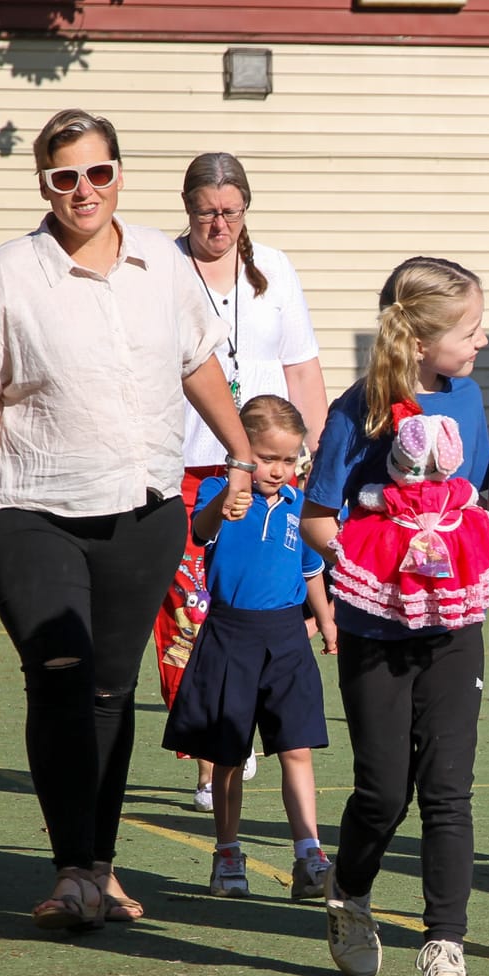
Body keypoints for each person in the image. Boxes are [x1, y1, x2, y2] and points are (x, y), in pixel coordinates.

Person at [0, 109, 252, 933]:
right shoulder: (9, 272)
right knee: (62, 675)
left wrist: (242, 448)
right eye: (65, 176)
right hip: (30, 509)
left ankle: (100, 867)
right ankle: (71, 865)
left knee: (114, 689)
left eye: (98, 172)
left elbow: (198, 365)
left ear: (118, 174)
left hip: (143, 510)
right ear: (44, 184)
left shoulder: (163, 268)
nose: (84, 190)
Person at [300, 257, 489, 976]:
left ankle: (445, 945)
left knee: (449, 788)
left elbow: (468, 501)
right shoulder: (358, 409)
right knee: (383, 791)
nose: (480, 342)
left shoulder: (471, 401)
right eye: (469, 329)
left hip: (452, 624)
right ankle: (349, 895)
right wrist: (372, 561)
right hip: (374, 626)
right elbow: (319, 516)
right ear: (418, 338)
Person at [149, 152, 328, 815]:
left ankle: (252, 727)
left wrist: (315, 460)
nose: (218, 224)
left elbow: (302, 367)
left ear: (245, 209)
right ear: (187, 208)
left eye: (230, 211)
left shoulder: (273, 269)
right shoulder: (163, 269)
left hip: (276, 474)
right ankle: (208, 757)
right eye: (205, 212)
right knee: (190, 617)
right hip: (190, 470)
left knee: (270, 609)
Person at [162, 395, 337, 900]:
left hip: (285, 637)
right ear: (241, 451)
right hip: (229, 635)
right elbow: (201, 530)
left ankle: (309, 853)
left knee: (297, 747)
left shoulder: (301, 506)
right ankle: (227, 853)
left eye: (288, 459)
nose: (278, 470)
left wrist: (325, 622)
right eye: (266, 458)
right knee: (228, 753)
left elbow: (311, 571)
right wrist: (226, 501)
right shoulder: (220, 491)